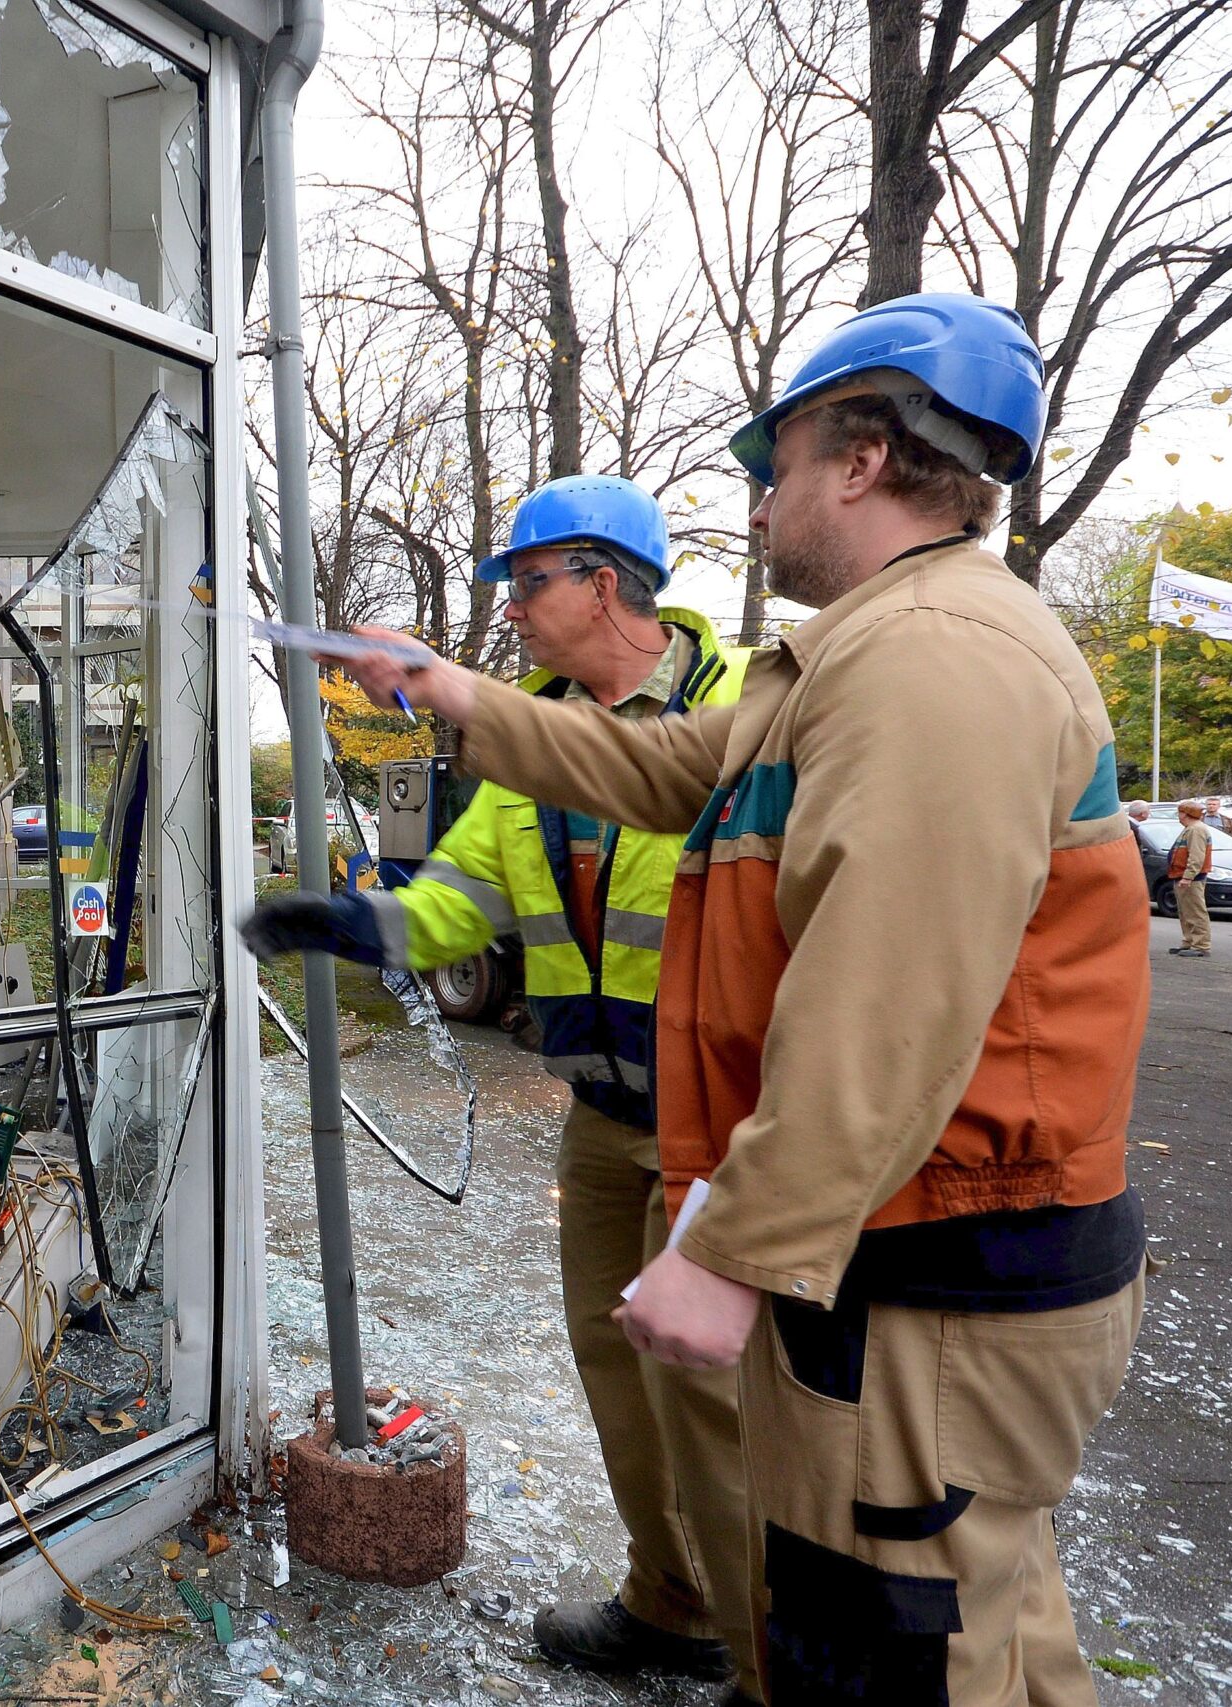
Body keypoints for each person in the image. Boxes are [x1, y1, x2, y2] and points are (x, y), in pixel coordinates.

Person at [342, 294, 1150, 1707]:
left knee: (910, 1644)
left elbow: (890, 996)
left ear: (862, 454)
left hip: (939, 1257)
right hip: (891, 1244)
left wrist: (734, 1249)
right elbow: (661, 770)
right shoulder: (848, 655)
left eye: (774, 462)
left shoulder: (937, 660)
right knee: (963, 1628)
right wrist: (447, 689)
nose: (759, 498)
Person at [242, 476, 757, 1693]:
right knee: (618, 1379)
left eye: (525, 585)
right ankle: (673, 1604)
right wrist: (350, 924)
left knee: (725, 1411)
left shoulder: (750, 713)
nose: (512, 614)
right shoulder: (530, 739)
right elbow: (457, 905)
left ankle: (774, 1649)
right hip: (600, 1119)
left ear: (602, 581)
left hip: (725, 1123)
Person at [1172, 800, 1214, 957]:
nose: (1179, 816)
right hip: (1184, 876)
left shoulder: (1196, 830)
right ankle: (1189, 941)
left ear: (1186, 813)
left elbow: (1196, 856)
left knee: (1195, 911)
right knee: (1186, 911)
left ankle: (1201, 945)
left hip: (1191, 878)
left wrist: (1188, 876)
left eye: (1180, 812)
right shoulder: (1191, 829)